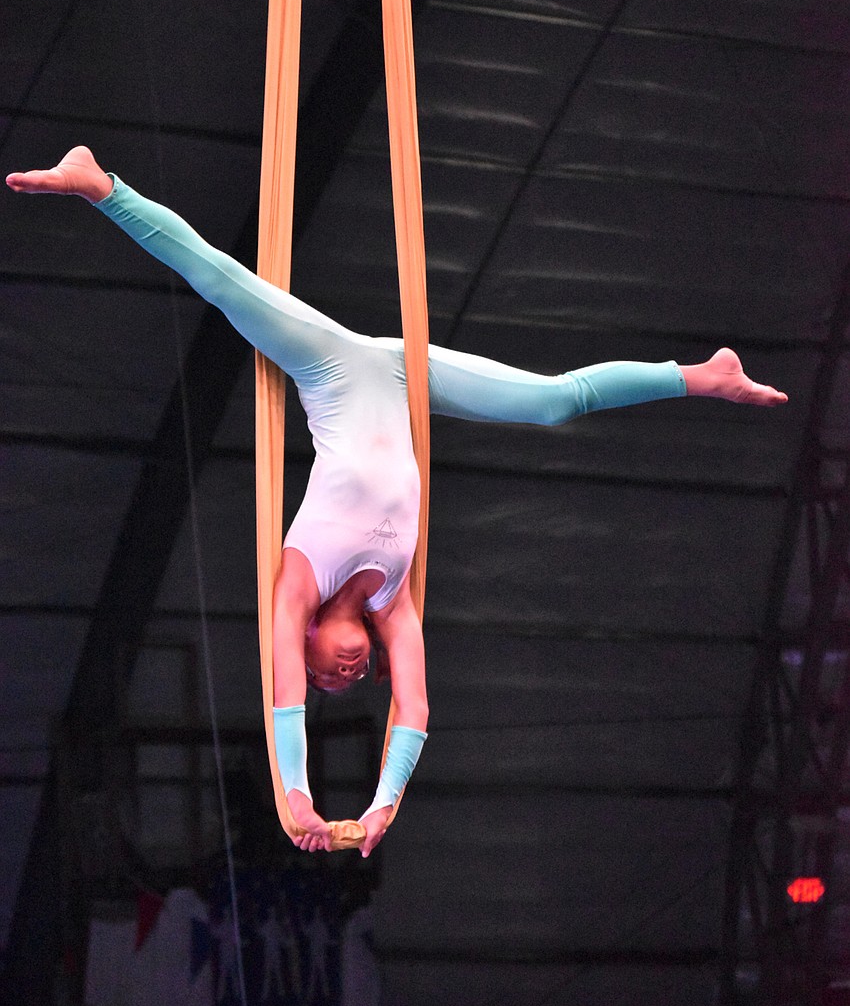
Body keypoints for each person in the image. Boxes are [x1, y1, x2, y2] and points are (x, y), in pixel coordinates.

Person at [6, 148, 788, 857]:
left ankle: (101, 185)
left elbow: (282, 699)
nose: (345, 674)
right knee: (555, 404)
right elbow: (412, 708)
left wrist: (296, 797)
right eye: (356, 680)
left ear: (309, 643)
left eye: (328, 680)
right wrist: (383, 805)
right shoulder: (394, 602)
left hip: (334, 366)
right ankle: (706, 375)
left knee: (218, 278)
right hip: (410, 373)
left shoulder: (296, 585)